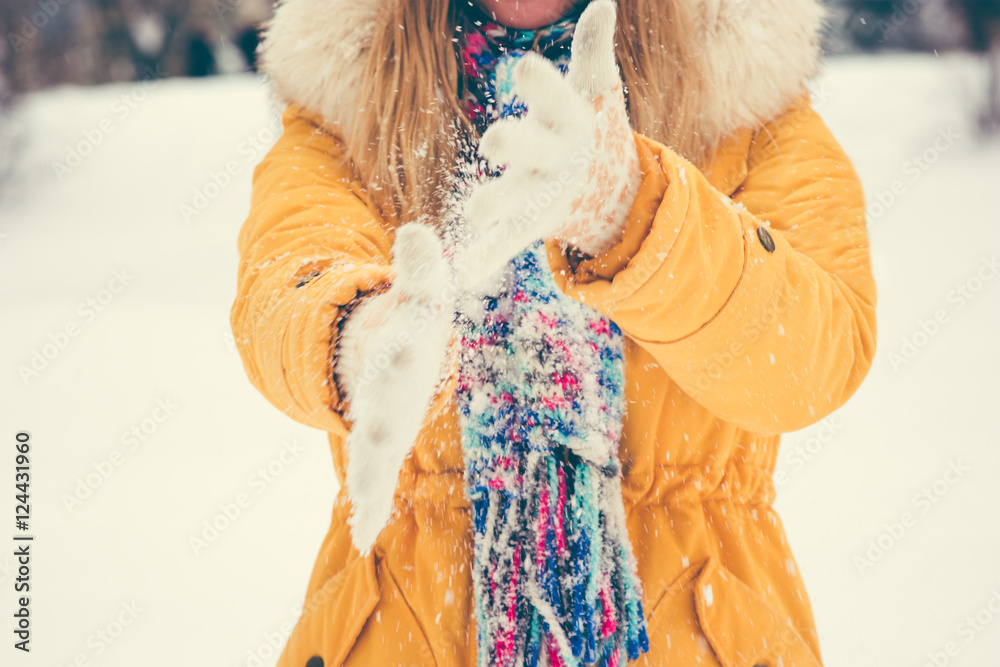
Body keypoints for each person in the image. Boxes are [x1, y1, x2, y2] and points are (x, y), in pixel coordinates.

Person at [230, 0, 877, 665]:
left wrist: (634, 212)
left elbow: (812, 357)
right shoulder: (347, 95)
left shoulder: (743, 99)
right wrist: (361, 335)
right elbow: (285, 276)